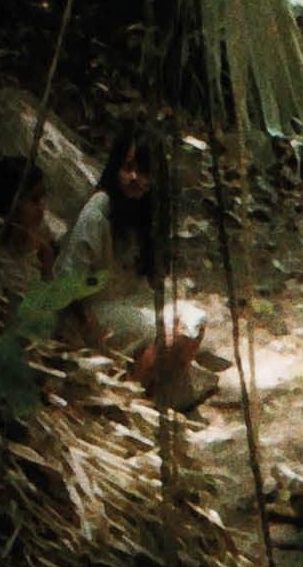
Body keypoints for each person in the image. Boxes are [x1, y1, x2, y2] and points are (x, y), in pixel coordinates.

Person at [55, 128, 220, 410]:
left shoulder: (148, 211)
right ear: (115, 169)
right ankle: (130, 397)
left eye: (143, 171)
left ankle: (144, 388)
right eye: (127, 168)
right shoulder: (98, 211)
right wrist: (86, 329)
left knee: (194, 321)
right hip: (98, 308)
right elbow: (67, 280)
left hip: (134, 302)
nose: (134, 178)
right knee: (165, 332)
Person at [0, 156, 56, 313]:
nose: (41, 209)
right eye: (34, 200)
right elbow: (36, 314)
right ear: (10, 202)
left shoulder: (28, 243)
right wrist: (47, 270)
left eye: (42, 199)